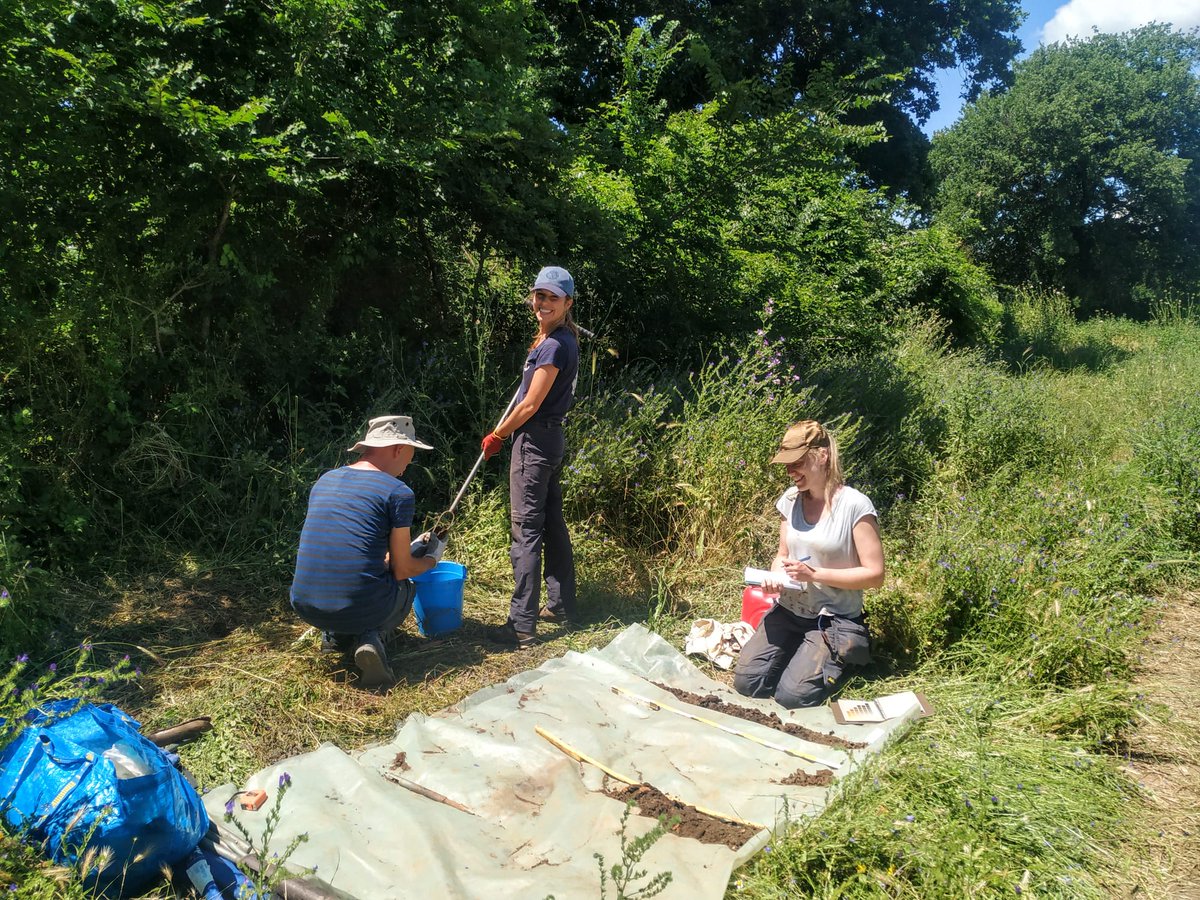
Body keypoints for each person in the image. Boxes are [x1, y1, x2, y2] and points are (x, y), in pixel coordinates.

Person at [733, 420, 884, 708]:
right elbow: (782, 554)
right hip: (790, 610)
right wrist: (775, 576)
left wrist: (815, 574)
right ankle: (798, 652)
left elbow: (875, 575)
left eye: (798, 462)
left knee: (792, 697)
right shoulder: (789, 501)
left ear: (822, 456)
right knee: (747, 683)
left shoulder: (855, 506)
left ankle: (846, 656)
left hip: (833, 618)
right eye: (787, 464)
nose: (791, 472)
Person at [290, 415, 444, 687]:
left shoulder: (326, 479)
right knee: (406, 587)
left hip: (304, 604)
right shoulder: (398, 492)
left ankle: (335, 636)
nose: (409, 463)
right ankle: (371, 637)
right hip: (360, 604)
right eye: (411, 453)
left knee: (356, 578)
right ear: (398, 449)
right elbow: (402, 569)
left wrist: (411, 547)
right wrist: (432, 558)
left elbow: (358, 552)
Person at [481, 266, 580, 648]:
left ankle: (521, 624)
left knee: (526, 531)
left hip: (534, 444)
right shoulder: (558, 339)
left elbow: (530, 404)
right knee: (552, 524)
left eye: (552, 298)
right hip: (551, 441)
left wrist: (497, 435)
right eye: (539, 296)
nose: (543, 303)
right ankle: (560, 605)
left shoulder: (554, 345)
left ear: (567, 302)